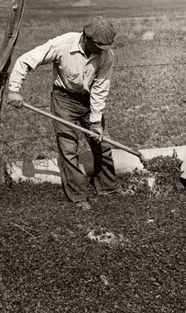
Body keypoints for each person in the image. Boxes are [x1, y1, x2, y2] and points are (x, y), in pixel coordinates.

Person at [7, 16, 125, 211]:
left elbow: (100, 89)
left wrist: (95, 123)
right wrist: (14, 90)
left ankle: (108, 187)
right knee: (69, 148)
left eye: (105, 46)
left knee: (102, 142)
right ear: (86, 37)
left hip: (89, 100)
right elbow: (25, 60)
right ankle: (78, 195)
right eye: (98, 45)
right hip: (64, 100)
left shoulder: (106, 56)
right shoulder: (62, 44)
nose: (102, 50)